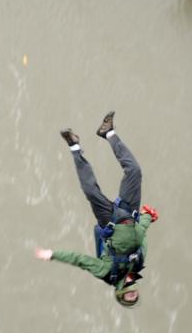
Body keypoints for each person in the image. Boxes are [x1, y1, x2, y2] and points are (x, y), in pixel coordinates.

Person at [34, 111, 158, 308]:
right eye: (135, 295)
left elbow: (81, 260)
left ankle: (74, 146)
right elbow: (140, 237)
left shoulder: (107, 273)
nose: (132, 292)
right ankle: (108, 133)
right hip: (130, 213)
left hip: (109, 220)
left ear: (120, 293)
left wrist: (53, 255)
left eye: (129, 296)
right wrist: (147, 218)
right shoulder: (138, 263)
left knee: (90, 190)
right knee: (134, 171)